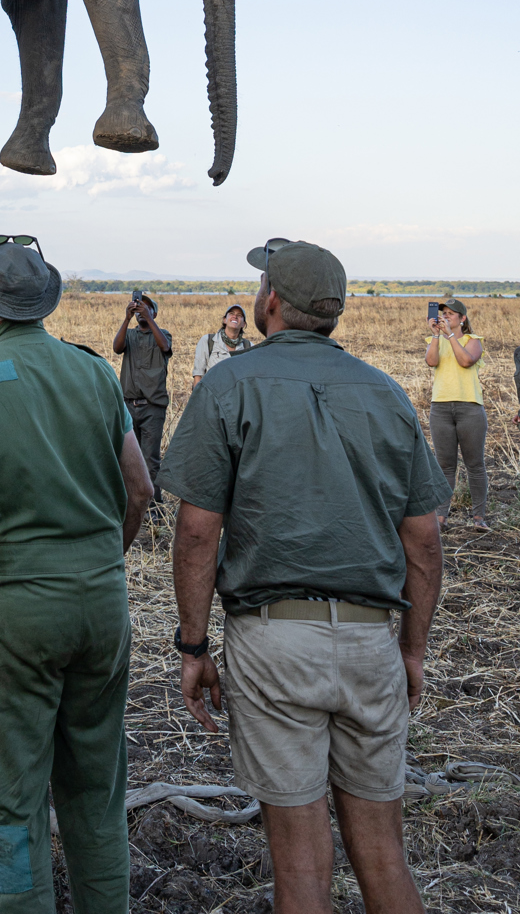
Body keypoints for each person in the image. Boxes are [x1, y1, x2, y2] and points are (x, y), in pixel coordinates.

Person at [159, 237, 446, 914]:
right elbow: (426, 541)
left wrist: (194, 646)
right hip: (375, 638)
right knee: (384, 854)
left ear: (272, 302)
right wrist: (411, 649)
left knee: (300, 870)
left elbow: (198, 530)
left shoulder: (231, 382)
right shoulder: (384, 392)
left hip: (275, 641)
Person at [0, 234, 154, 914]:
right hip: (101, 603)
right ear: (44, 303)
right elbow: (139, 490)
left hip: (17, 606)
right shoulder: (92, 374)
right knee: (97, 788)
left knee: (16, 793)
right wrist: (106, 558)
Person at [425, 296, 488, 532]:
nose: (446, 316)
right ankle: (441, 518)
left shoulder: (474, 341)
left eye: (451, 314)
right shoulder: (436, 340)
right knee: (445, 466)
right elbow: (431, 362)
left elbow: (465, 361)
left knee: (475, 465)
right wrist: (436, 335)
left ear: (462, 318)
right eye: (444, 313)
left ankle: (478, 518)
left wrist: (450, 335)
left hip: (470, 408)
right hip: (440, 408)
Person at [112, 292, 172, 499]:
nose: (141, 311)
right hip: (129, 406)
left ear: (154, 313)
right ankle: (132, 501)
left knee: (151, 459)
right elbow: (116, 348)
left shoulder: (163, 334)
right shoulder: (129, 335)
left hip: (152, 407)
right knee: (128, 458)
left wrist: (149, 318)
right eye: (138, 308)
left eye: (146, 308)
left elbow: (165, 346)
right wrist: (127, 318)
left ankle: (154, 505)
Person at [192, 303, 252, 386]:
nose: (235, 316)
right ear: (225, 320)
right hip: (212, 397)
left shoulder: (249, 347)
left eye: (239, 315)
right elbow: (198, 375)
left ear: (243, 324)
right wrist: (197, 398)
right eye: (231, 314)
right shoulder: (208, 341)